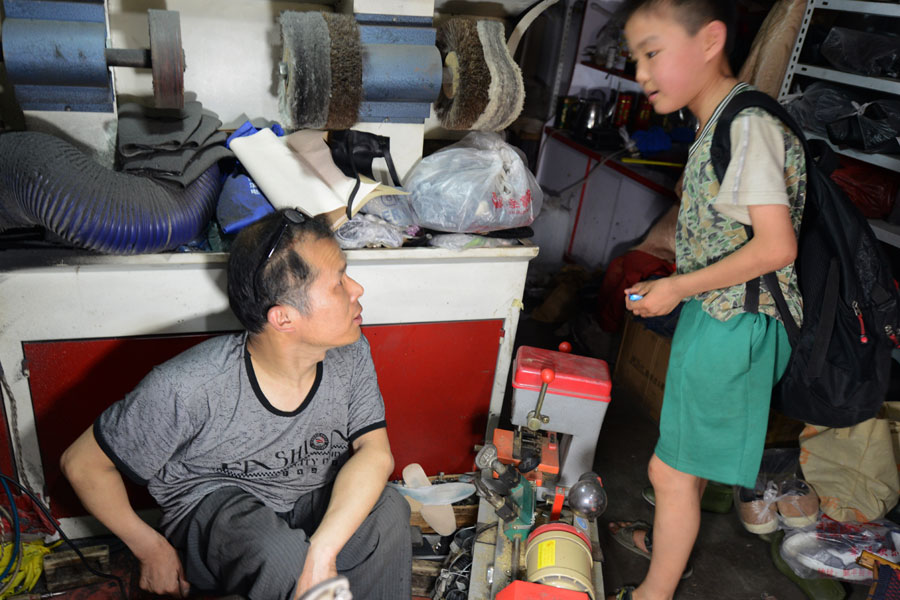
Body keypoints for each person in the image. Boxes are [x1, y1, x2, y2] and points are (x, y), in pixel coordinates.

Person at [60, 208, 412, 600]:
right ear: (284, 319)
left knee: (389, 512)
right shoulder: (190, 385)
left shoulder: (349, 351)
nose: (357, 289)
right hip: (216, 511)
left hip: (302, 501)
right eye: (337, 284)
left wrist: (322, 552)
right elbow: (83, 463)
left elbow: (375, 452)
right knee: (281, 556)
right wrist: (149, 547)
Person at [608, 1, 806, 599]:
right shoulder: (719, 122)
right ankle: (665, 561)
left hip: (737, 323)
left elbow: (777, 247)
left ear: (710, 40)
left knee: (669, 472)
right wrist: (676, 283)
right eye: (635, 57)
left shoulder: (746, 125)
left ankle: (653, 593)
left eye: (653, 52)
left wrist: (676, 286)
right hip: (715, 314)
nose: (641, 73)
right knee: (680, 470)